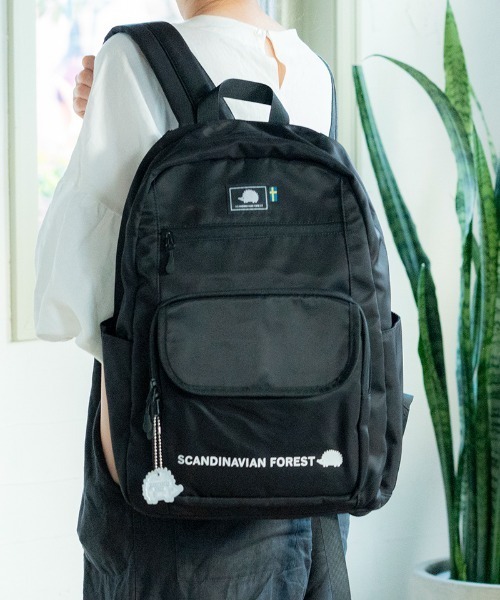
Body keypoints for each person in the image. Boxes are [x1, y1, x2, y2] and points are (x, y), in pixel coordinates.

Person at [35, 1, 350, 598]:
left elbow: (75, 290)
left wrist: (105, 119)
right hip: (312, 470)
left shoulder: (134, 57)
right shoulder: (314, 70)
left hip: (174, 475)